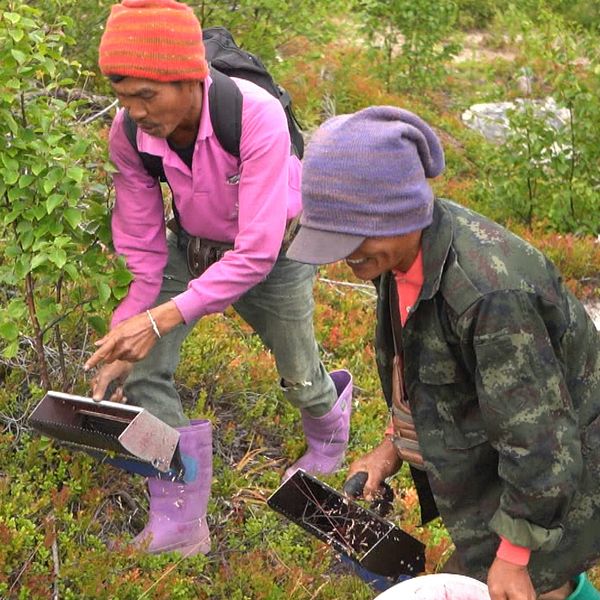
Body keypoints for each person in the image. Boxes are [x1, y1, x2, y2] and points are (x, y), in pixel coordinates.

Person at [286, 105, 600, 600]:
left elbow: (541, 442)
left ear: (402, 211)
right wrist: (391, 448)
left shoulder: (488, 294)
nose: (345, 255)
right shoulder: (402, 259)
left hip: (557, 474)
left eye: (354, 238)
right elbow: (426, 373)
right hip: (513, 465)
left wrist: (516, 557)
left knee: (530, 586)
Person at [84, 0, 352, 557]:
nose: (133, 110)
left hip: (276, 251)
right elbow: (140, 244)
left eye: (146, 95)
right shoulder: (128, 134)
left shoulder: (254, 115)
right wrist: (128, 328)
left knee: (299, 369)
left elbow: (255, 251)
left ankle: (328, 426)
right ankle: (180, 516)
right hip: (194, 243)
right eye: (122, 94)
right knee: (141, 369)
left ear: (190, 79)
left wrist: (160, 317)